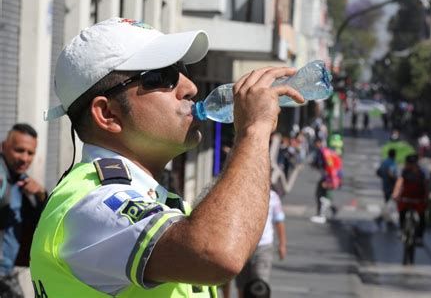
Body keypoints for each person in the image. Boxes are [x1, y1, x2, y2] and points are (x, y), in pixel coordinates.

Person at [30, 17, 305, 297]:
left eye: (183, 71)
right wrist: (253, 131)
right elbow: (217, 253)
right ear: (108, 114)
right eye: (162, 77)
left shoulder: (151, 197)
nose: (190, 87)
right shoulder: (94, 206)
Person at [0, 123, 46, 298]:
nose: (25, 158)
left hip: (8, 269)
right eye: (19, 150)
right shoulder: (3, 176)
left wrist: (41, 194)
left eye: (30, 153)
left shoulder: (22, 179)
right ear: (4, 147)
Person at [223, 188, 286, 298]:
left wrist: (282, 244)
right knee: (242, 285)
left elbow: (279, 220)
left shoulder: (272, 196)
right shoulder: (241, 195)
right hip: (242, 247)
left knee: (260, 284)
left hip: (263, 246)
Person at [392, 154, 428, 245]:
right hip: (406, 197)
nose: (406, 165)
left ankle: (419, 237)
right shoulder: (404, 171)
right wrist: (396, 194)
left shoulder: (422, 172)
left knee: (422, 217)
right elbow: (399, 183)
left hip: (419, 198)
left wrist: (426, 198)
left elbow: (426, 186)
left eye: (407, 163)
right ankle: (401, 229)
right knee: (402, 213)